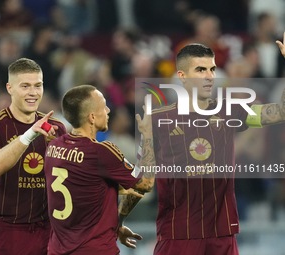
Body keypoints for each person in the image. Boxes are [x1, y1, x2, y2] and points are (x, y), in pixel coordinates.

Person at [118, 34, 285, 255]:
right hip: (178, 234)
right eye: (200, 70)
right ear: (182, 76)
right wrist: (118, 221)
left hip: (222, 234)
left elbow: (280, 112)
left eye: (212, 69)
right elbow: (142, 177)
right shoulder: (157, 120)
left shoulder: (231, 110)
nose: (209, 76)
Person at [44, 84, 155, 255]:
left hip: (58, 250)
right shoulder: (102, 152)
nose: (109, 110)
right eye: (104, 106)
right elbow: (145, 183)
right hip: (94, 249)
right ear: (92, 117)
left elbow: (90, 188)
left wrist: (117, 224)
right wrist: (148, 136)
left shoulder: (53, 147)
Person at [0, 58, 66, 255]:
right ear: (10, 88)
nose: (33, 92)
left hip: (49, 232)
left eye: (37, 86)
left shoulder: (58, 128)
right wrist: (30, 134)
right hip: (7, 233)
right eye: (25, 86)